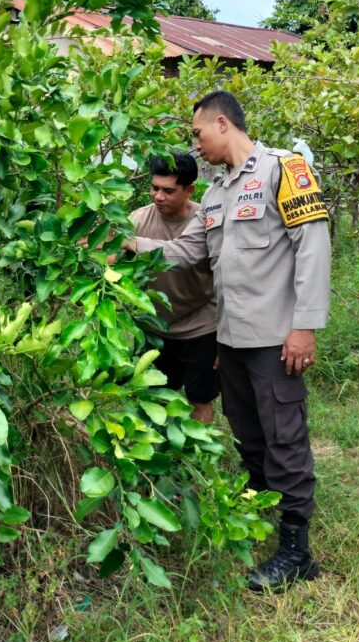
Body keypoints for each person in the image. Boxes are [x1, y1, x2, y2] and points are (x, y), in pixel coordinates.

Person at [124, 91, 331, 591]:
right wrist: (126, 240)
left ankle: (297, 551)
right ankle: (262, 514)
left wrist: (305, 326)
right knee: (248, 432)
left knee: (284, 436)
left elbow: (313, 246)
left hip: (275, 339)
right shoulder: (215, 196)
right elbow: (187, 254)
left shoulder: (285, 170)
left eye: (197, 134)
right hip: (231, 339)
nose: (195, 146)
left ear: (221, 123)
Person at [131, 153, 218, 424]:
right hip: (156, 328)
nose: (158, 196)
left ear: (189, 190)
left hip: (201, 326)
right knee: (152, 397)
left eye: (168, 191)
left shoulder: (205, 220)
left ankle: (197, 457)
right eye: (154, 188)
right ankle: (159, 456)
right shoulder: (137, 220)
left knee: (199, 399)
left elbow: (182, 255)